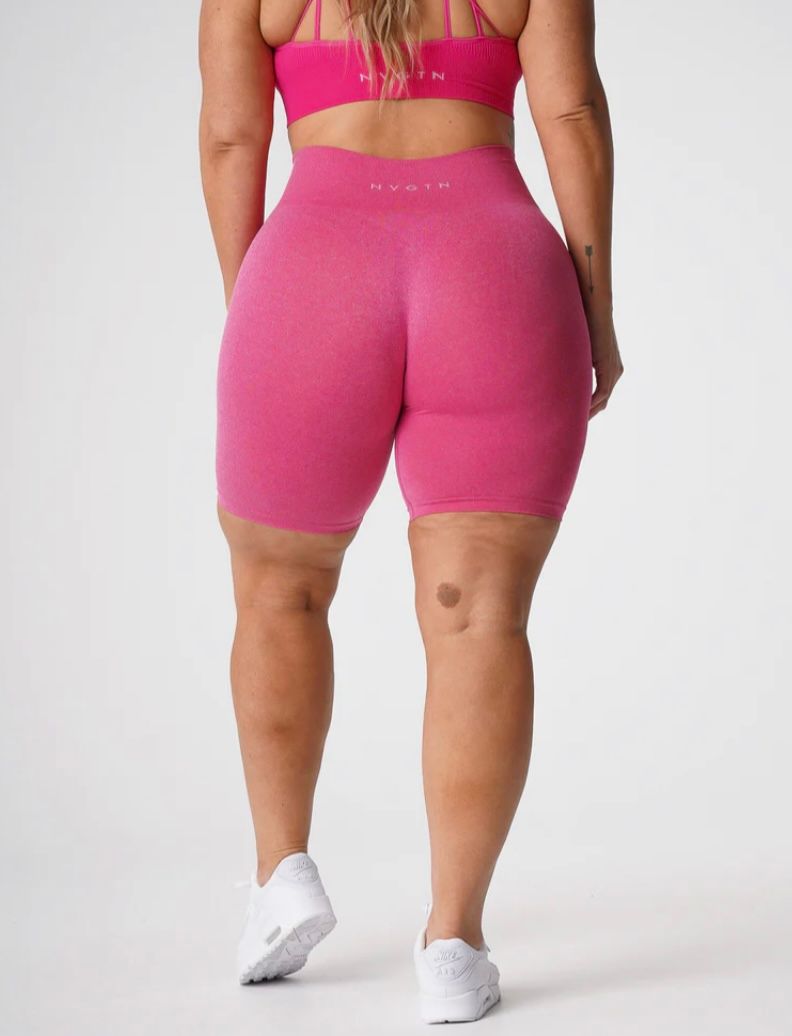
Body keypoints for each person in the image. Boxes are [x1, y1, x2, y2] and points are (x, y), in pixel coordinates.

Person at [198, 0, 622, 1022]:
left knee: (279, 591)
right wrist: (597, 311)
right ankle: (453, 942)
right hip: (494, 274)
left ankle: (281, 877)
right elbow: (569, 114)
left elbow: (229, 139)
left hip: (311, 272)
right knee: (478, 615)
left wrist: (263, 305)